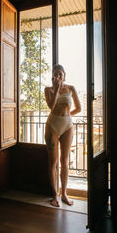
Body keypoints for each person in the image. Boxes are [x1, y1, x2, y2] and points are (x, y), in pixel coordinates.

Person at [44, 64, 81, 207]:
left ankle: (64, 193)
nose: (58, 76)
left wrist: (67, 117)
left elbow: (79, 108)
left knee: (64, 161)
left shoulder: (71, 89)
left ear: (64, 75)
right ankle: (55, 195)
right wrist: (57, 88)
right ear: (52, 76)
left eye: (60, 74)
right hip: (52, 125)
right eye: (55, 74)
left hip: (67, 126)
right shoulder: (48, 90)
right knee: (52, 162)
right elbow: (51, 107)